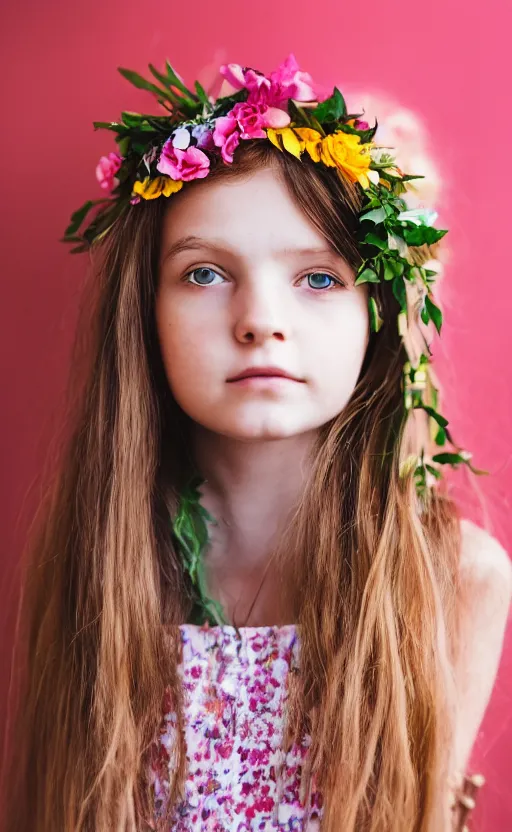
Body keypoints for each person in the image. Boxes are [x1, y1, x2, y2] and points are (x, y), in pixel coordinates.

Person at [1, 54, 511, 832]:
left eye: (319, 277)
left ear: (382, 318)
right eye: (205, 274)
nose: (260, 319)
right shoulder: (102, 559)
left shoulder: (452, 582)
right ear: (144, 315)